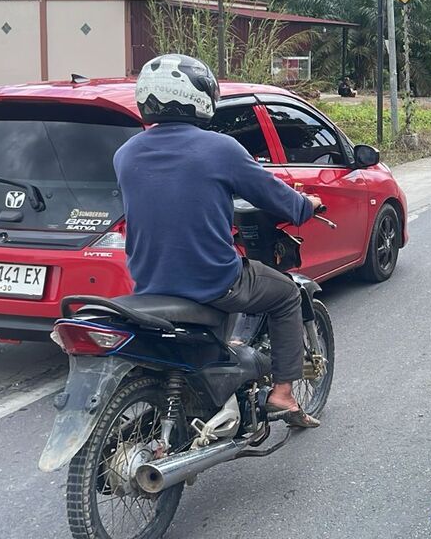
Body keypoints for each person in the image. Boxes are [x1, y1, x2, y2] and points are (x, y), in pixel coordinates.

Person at [115, 54, 323, 428]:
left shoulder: (125, 154)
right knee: (286, 294)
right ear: (200, 98)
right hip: (212, 281)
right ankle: (282, 393)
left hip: (149, 283)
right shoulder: (221, 149)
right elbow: (279, 199)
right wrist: (306, 205)